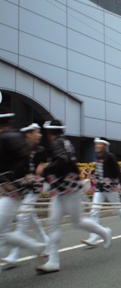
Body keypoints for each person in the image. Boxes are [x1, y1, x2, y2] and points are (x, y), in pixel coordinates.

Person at [36, 120, 112, 273]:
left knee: (78, 222)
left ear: (50, 132)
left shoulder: (56, 144)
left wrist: (44, 171)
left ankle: (104, 232)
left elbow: (62, 161)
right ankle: (53, 261)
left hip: (69, 191)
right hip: (62, 191)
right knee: (54, 223)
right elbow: (67, 162)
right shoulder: (66, 142)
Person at [0, 111, 47, 274]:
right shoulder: (16, 140)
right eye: (37, 132)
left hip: (19, 189)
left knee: (21, 219)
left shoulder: (9, 139)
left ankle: (20, 252)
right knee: (28, 219)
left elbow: (35, 166)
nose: (39, 135)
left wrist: (12, 179)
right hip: (18, 187)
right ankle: (39, 245)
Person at [82, 137, 121, 247]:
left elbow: (117, 171)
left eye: (99, 144)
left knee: (118, 210)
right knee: (94, 211)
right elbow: (99, 170)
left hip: (111, 188)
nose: (96, 146)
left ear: (104, 146)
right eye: (96, 144)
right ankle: (93, 237)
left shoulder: (110, 157)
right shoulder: (97, 157)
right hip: (99, 188)